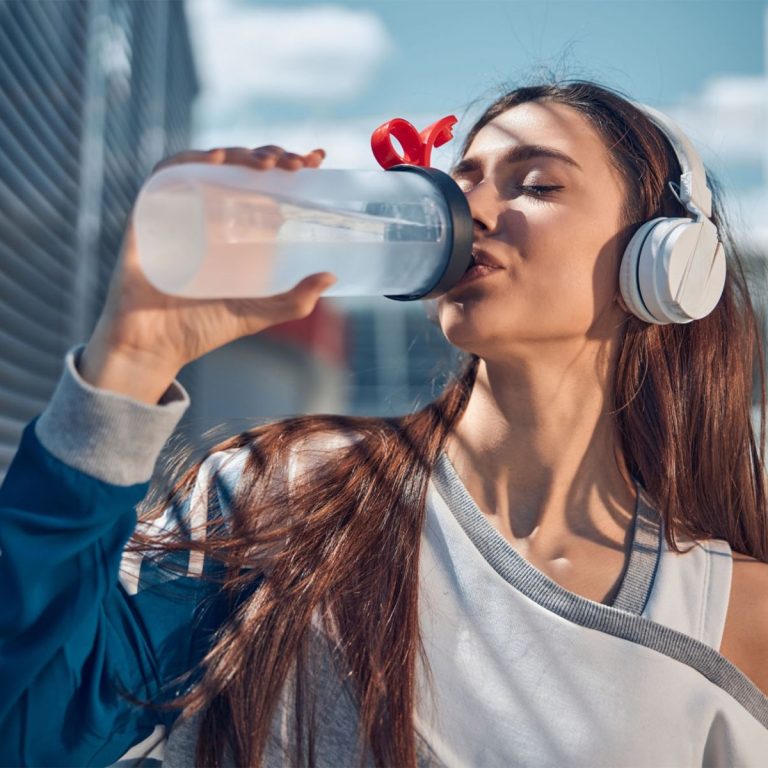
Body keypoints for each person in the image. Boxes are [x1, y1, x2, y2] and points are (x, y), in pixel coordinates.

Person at [1, 80, 767, 768]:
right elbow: (33, 729)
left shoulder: (729, 615)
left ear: (665, 261)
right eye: (459, 179)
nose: (472, 210)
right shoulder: (283, 496)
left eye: (535, 184)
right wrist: (130, 360)